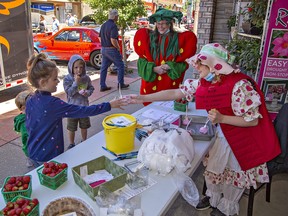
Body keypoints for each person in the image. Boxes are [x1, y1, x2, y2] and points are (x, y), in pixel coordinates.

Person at [129, 43, 281, 216]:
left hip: (241, 139)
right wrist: (141, 97)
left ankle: (227, 208)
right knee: (213, 167)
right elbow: (175, 93)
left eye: (200, 63)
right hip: (220, 133)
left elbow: (252, 121)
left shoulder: (240, 85)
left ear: (214, 65)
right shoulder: (205, 81)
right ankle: (213, 197)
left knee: (232, 174)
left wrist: (222, 118)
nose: (196, 66)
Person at [25, 53, 129, 167]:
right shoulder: (52, 104)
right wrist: (109, 105)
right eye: (55, 79)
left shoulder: (31, 99)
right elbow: (83, 111)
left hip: (33, 152)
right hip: (48, 157)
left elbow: (29, 126)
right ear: (42, 82)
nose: (58, 82)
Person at [133, 7, 197, 105]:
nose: (160, 26)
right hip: (151, 83)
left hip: (169, 84)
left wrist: (170, 66)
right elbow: (141, 61)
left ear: (170, 24)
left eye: (163, 23)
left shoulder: (179, 39)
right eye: (158, 23)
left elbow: (183, 63)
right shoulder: (148, 37)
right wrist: (154, 69)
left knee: (167, 109)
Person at [63, 55, 95, 149]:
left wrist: (87, 92)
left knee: (84, 126)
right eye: (76, 67)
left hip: (84, 107)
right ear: (71, 67)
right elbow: (69, 93)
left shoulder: (86, 78)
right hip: (72, 108)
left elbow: (91, 88)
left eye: (81, 67)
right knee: (71, 127)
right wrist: (76, 83)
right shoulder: (67, 79)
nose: (79, 70)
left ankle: (84, 140)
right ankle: (71, 143)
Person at [99, 9, 129, 92]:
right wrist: (118, 47)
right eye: (117, 16)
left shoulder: (103, 25)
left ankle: (102, 85)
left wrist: (104, 44)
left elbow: (99, 37)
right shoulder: (113, 26)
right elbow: (113, 39)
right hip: (111, 49)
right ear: (115, 16)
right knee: (120, 65)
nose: (118, 17)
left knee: (104, 68)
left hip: (104, 48)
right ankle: (120, 84)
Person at [14, 90, 34, 167]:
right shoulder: (24, 123)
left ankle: (29, 160)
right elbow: (29, 135)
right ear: (24, 108)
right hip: (31, 148)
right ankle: (30, 161)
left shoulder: (25, 117)